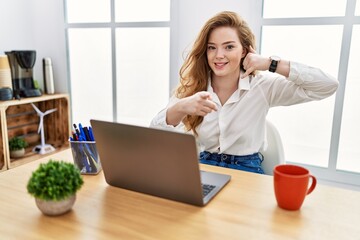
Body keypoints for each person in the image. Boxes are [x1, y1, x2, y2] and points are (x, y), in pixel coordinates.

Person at [150, 11, 338, 174]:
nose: (219, 55)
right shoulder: (194, 87)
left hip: (248, 170)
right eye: (212, 47)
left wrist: (270, 64)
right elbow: (155, 134)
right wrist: (182, 106)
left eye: (229, 46)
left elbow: (327, 85)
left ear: (244, 51)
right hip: (203, 167)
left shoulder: (262, 87)